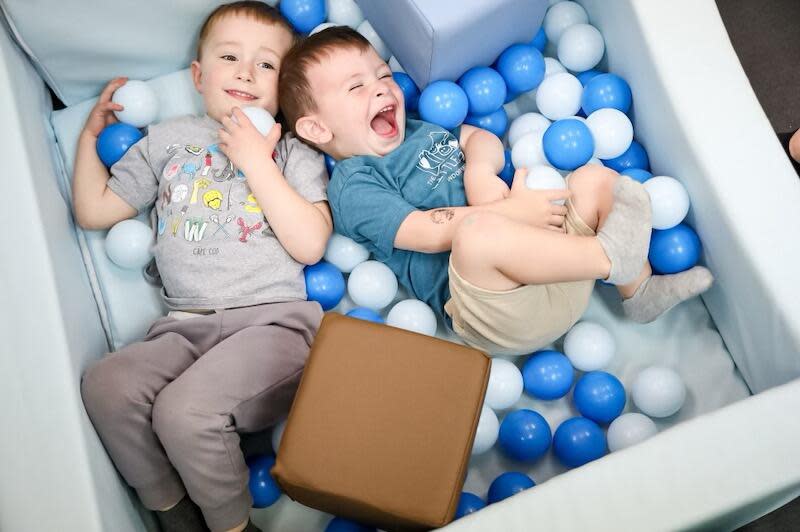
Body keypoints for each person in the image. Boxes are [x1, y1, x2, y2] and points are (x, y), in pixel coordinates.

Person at [278, 26, 713, 355]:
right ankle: (609, 258)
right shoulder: (352, 186)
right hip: (493, 310)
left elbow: (474, 138)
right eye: (357, 87)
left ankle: (637, 292)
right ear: (317, 127)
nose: (380, 87)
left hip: (554, 268)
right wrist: (514, 213)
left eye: (381, 74)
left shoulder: (417, 129)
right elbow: (428, 231)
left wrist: (480, 174)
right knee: (476, 234)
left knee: (594, 178)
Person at [75, 3, 332, 531]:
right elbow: (95, 210)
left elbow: (309, 244)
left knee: (182, 412)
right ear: (198, 75)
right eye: (230, 57)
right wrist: (87, 138)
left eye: (265, 65)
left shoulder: (291, 150)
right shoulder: (167, 140)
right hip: (183, 330)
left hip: (272, 326)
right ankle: (171, 509)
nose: (244, 72)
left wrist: (257, 160)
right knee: (107, 385)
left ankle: (232, 525)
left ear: (282, 89)